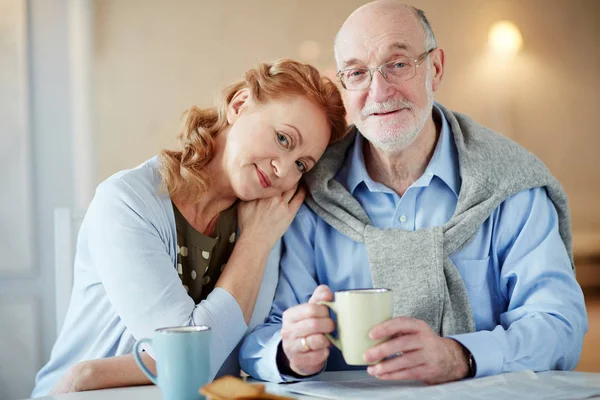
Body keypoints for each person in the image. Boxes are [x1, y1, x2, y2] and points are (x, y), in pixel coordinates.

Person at [240, 1, 588, 385]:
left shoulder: (511, 183)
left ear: (435, 68)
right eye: (357, 73)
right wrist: (289, 353)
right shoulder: (307, 191)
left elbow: (560, 326)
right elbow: (259, 337)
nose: (380, 90)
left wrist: (460, 355)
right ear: (344, 86)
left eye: (399, 64)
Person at [31, 59, 348, 397]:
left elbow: (230, 359)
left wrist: (94, 371)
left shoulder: (268, 215)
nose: (283, 170)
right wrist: (254, 245)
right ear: (239, 105)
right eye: (284, 139)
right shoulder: (126, 201)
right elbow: (189, 361)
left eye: (302, 164)